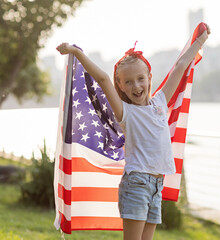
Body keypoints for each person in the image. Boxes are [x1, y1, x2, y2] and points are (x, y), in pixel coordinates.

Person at [56, 23, 210, 240]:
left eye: (140, 79)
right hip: (136, 184)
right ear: (120, 85)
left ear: (149, 77)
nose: (136, 86)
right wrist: (76, 52)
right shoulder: (124, 111)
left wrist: (199, 41)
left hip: (157, 185)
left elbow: (180, 66)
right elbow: (102, 79)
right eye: (128, 82)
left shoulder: (160, 102)